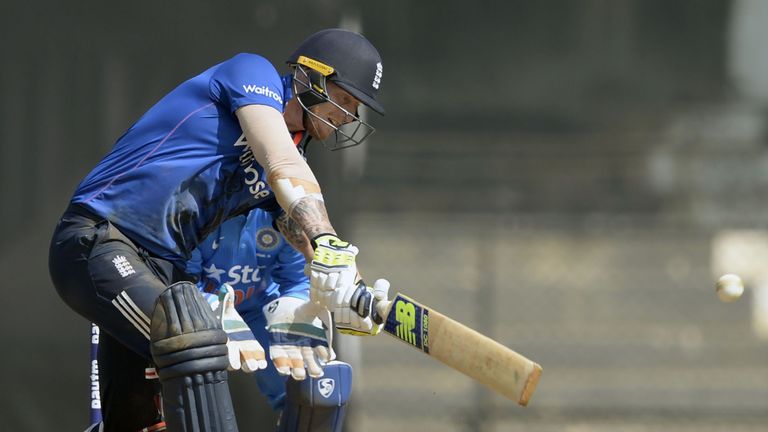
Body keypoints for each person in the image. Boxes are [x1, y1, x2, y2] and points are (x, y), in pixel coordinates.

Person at [50, 28, 388, 432]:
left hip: (161, 271)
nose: (348, 115)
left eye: (355, 108)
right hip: (100, 239)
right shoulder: (253, 74)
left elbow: (295, 223)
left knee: (137, 421)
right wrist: (327, 242)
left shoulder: (291, 156)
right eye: (345, 99)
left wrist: (351, 288)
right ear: (311, 75)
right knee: (195, 337)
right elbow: (281, 163)